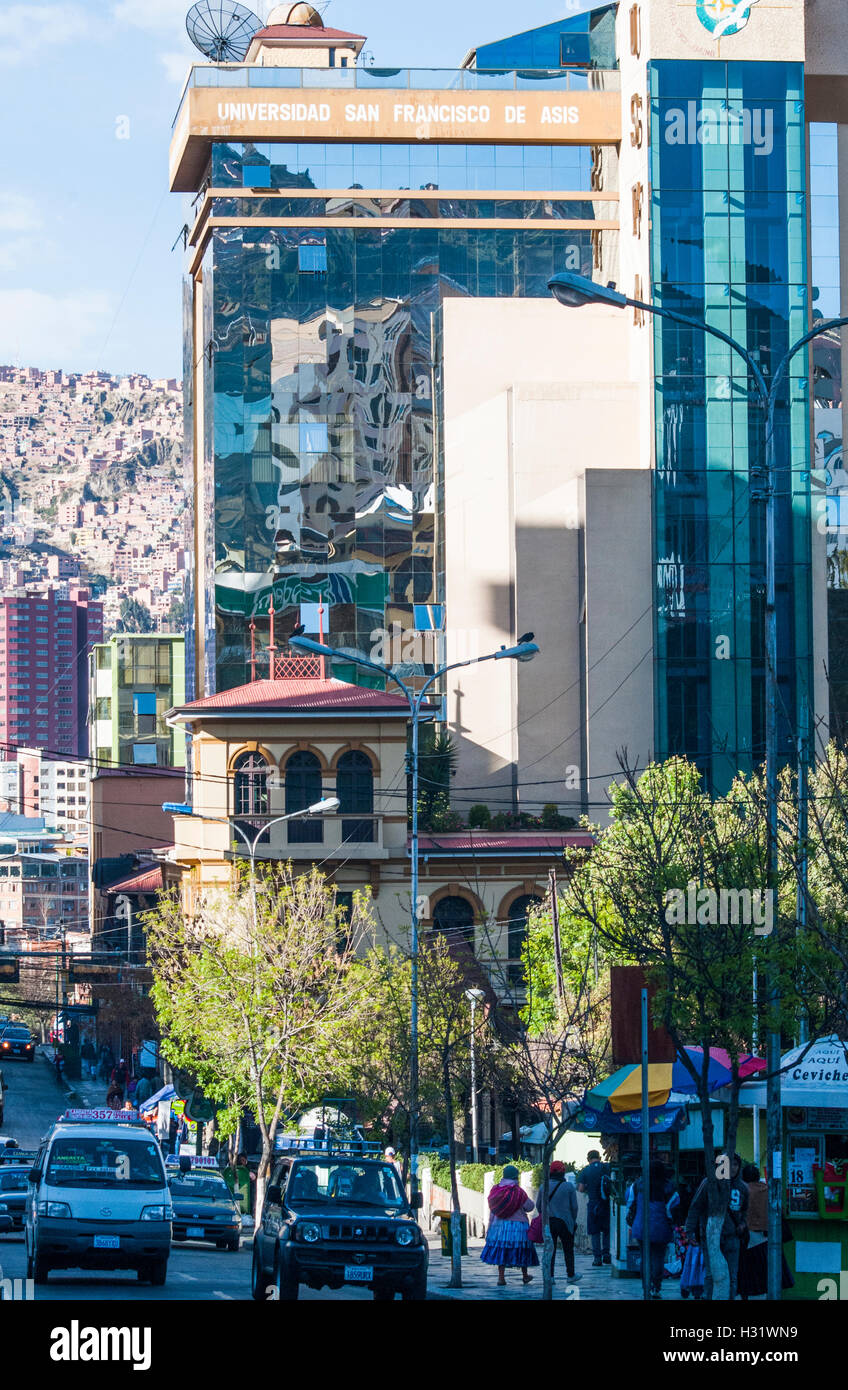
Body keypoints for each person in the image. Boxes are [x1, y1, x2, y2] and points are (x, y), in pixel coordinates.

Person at [684, 1152, 749, 1300]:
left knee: (732, 1275)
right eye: (729, 1164)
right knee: (711, 1275)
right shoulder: (709, 1184)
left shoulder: (742, 1187)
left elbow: (745, 1211)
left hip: (733, 1237)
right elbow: (695, 1207)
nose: (732, 1168)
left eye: (736, 1164)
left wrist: (743, 1224)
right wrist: (689, 1231)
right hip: (711, 1237)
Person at [627, 1159, 680, 1299]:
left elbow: (629, 1201)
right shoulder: (669, 1186)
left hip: (641, 1227)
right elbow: (674, 1207)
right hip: (661, 1228)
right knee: (658, 1258)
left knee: (645, 1257)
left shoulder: (637, 1185)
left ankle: (646, 1287)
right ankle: (656, 1287)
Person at [480, 1164, 539, 1287]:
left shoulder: (495, 1190)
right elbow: (529, 1207)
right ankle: (525, 1275)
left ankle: (501, 1278)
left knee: (502, 1250)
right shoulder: (518, 1192)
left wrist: (490, 1227)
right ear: (515, 1177)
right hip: (518, 1227)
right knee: (522, 1249)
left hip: (500, 1226)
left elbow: (493, 1209)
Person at [545, 1161, 579, 1282]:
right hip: (565, 1222)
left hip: (549, 1221)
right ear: (563, 1172)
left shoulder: (544, 1186)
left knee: (550, 1250)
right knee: (568, 1249)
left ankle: (550, 1276)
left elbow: (539, 1206)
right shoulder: (569, 1186)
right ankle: (571, 1275)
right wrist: (573, 1220)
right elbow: (574, 1207)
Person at [577, 1149, 611, 1265]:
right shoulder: (607, 1167)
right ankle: (607, 1254)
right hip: (606, 1203)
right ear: (599, 1157)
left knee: (595, 1231)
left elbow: (580, 1189)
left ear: (588, 1159)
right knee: (606, 1230)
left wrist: (588, 1187)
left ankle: (597, 1258)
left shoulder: (586, 1170)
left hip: (593, 1204)